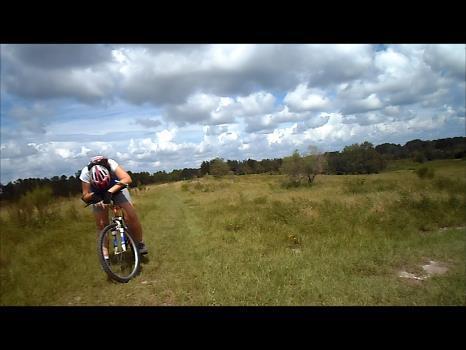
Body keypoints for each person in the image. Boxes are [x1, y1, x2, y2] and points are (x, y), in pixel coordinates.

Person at [80, 155, 148, 257]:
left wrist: (110, 191)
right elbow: (85, 196)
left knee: (131, 215)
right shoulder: (85, 173)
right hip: (97, 193)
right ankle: (105, 256)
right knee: (102, 224)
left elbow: (127, 179)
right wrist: (95, 197)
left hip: (116, 188)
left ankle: (139, 243)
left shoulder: (111, 164)